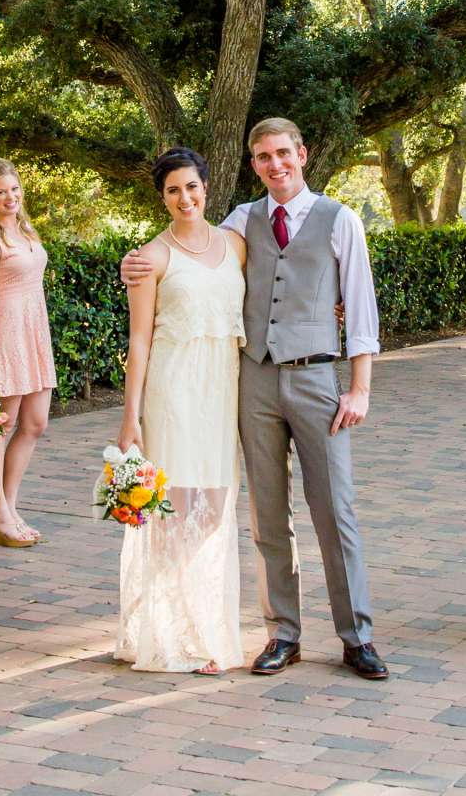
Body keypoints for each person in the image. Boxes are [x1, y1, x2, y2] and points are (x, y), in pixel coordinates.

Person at [124, 116, 388, 681]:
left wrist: (360, 388)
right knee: (269, 515)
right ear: (253, 165)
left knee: (334, 511)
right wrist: (137, 262)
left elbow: (362, 308)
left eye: (283, 154)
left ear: (303, 154)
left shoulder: (341, 220)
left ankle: (356, 636)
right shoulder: (243, 220)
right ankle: (283, 634)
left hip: (319, 380)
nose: (276, 165)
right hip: (255, 380)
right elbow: (194, 251)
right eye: (264, 157)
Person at [114, 147, 248, 674]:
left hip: (221, 387)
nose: (184, 197)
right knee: (172, 511)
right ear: (163, 197)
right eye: (173, 190)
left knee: (213, 509)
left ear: (207, 188)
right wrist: (131, 417)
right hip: (173, 389)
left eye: (191, 186)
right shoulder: (152, 257)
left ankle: (190, 620)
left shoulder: (236, 245)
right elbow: (140, 340)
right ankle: (180, 632)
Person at [0, 156, 56, 548]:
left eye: (15, 190)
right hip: (7, 333)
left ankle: (8, 507)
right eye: (1, 192)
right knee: (0, 425)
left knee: (35, 423)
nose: (10, 197)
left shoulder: (26, 231)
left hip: (35, 332)